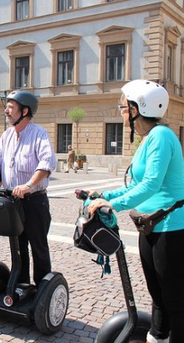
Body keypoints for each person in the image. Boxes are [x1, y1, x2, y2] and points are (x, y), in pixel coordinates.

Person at [86, 80, 184, 343]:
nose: (121, 109)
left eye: (124, 105)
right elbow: (137, 184)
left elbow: (151, 184)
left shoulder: (162, 136)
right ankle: (158, 338)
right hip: (150, 227)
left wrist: (114, 205)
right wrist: (103, 196)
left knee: (174, 299)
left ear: (137, 109)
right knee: (158, 296)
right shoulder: (149, 139)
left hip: (171, 229)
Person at [0, 90, 57, 286]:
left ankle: (42, 290)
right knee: (18, 247)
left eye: (11, 107)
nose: (6, 111)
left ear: (24, 111)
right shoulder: (6, 136)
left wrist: (28, 185)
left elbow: (47, 164)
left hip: (34, 200)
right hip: (13, 202)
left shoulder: (39, 134)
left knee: (38, 247)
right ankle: (20, 285)